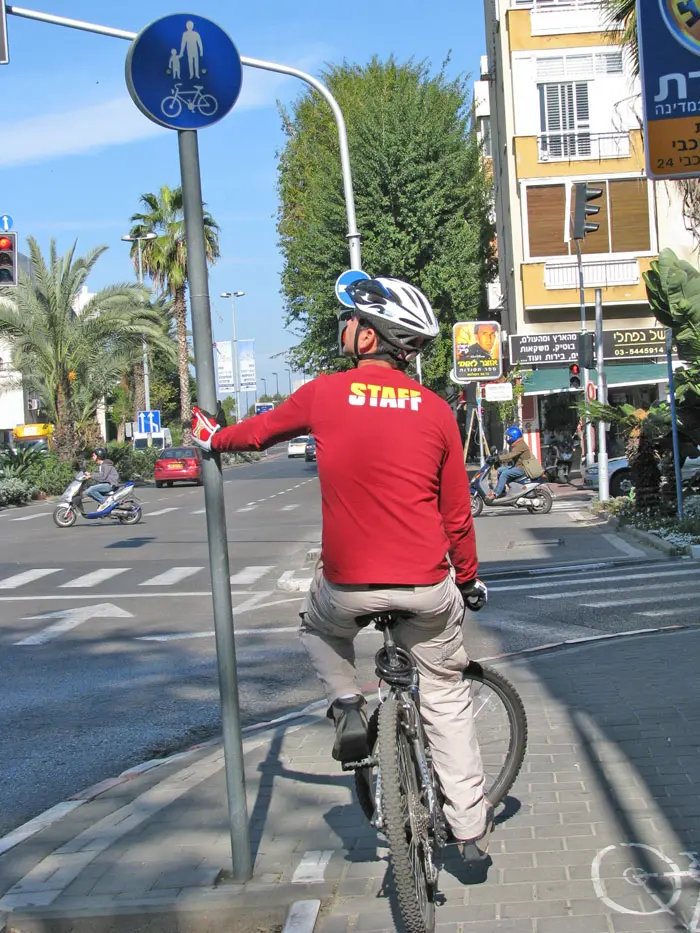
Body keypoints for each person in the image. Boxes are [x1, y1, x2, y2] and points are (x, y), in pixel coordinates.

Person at [191, 277, 494, 858]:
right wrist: (469, 577)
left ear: (368, 336)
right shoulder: (436, 411)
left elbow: (256, 433)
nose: (344, 327)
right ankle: (469, 831)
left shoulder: (325, 394)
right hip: (426, 586)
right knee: (446, 698)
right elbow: (457, 514)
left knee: (317, 627)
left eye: (351, 319)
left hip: (348, 585)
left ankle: (348, 703)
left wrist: (213, 437)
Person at [489, 426, 544, 499]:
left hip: (524, 468)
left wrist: (498, 458)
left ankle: (496, 493)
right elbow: (510, 458)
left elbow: (511, 455)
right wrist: (498, 459)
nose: (507, 439)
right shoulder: (515, 445)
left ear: (514, 436)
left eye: (509, 437)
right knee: (500, 470)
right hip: (518, 466)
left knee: (505, 474)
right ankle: (502, 491)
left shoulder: (520, 444)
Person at [84, 447, 120, 512]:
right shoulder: (101, 465)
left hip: (111, 485)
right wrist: (90, 474)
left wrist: (90, 476)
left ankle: (105, 504)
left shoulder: (106, 465)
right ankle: (104, 504)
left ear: (99, 456)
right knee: (89, 490)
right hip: (107, 484)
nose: (92, 457)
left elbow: (103, 477)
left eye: (94, 455)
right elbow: (100, 474)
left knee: (90, 490)